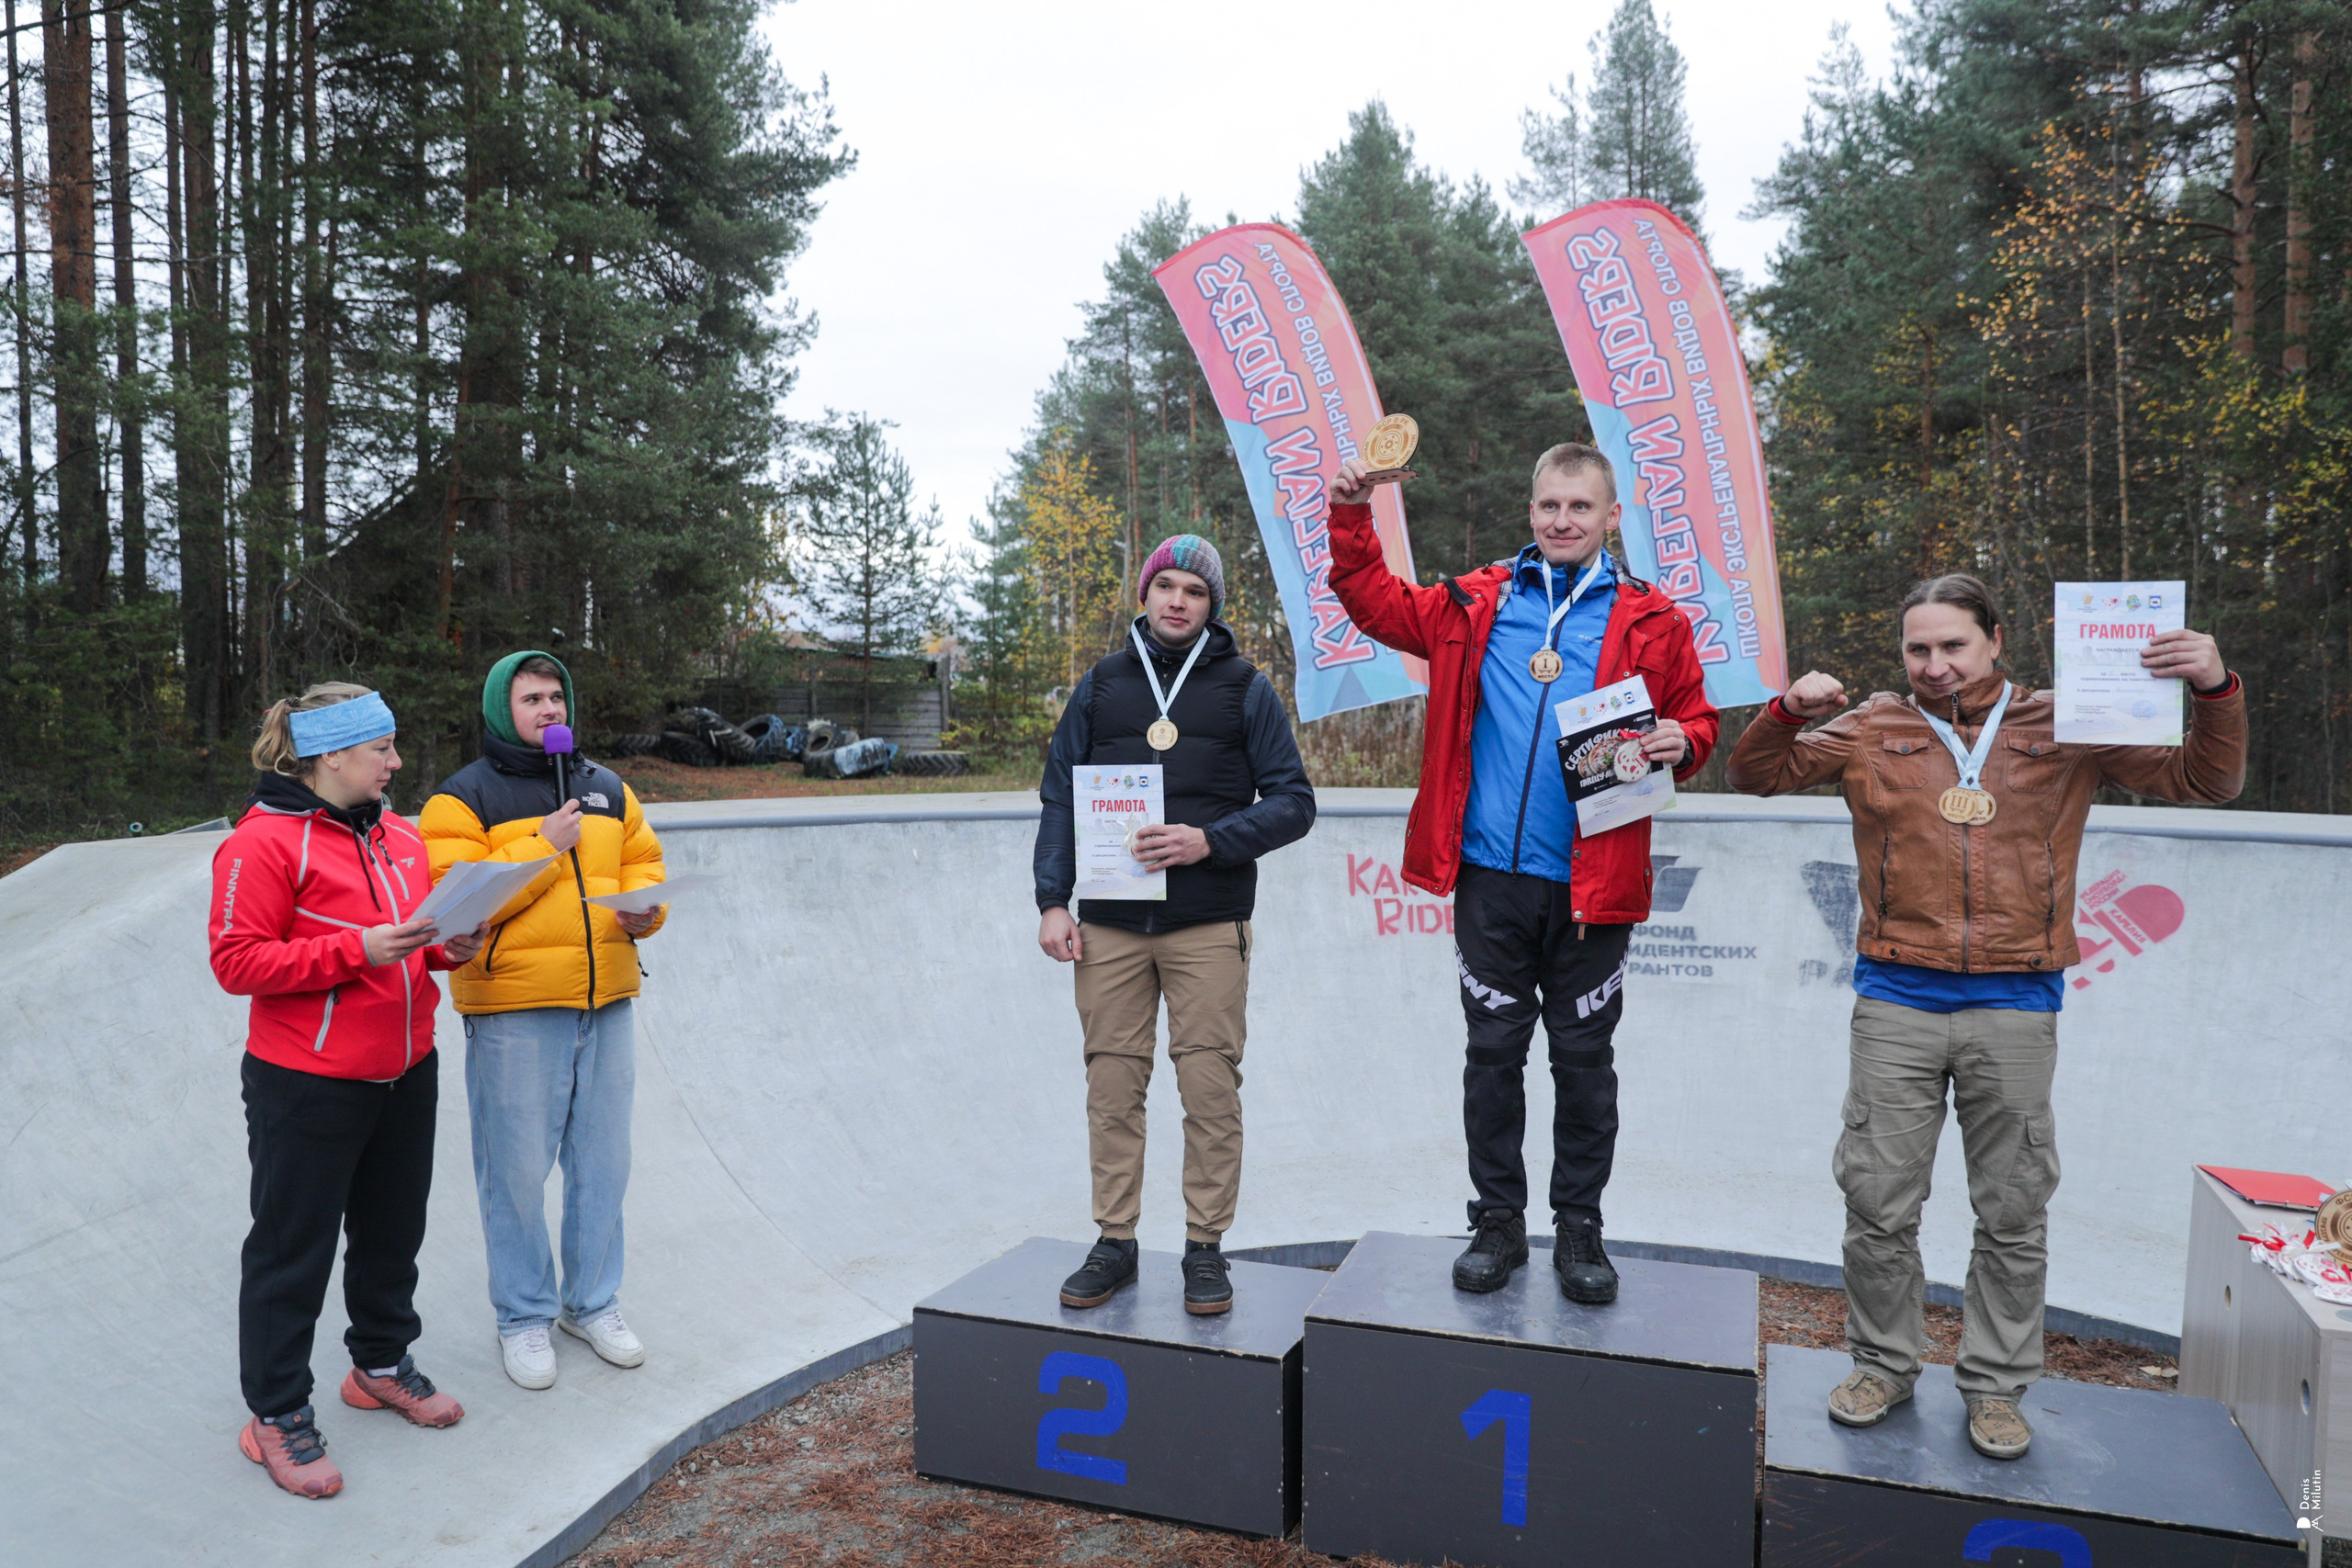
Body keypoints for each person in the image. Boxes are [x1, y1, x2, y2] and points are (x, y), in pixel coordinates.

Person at [1727, 573, 2245, 1460]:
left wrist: (2213, 688)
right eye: (1917, 649)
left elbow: (2205, 778)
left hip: (2017, 1000)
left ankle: (1997, 1386)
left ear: (1996, 640)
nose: (1934, 665)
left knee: (2012, 1209)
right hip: (1897, 998)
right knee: (1879, 1202)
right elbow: (1755, 776)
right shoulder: (1877, 725)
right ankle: (1885, 1365)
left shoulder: (2066, 720)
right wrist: (1784, 709)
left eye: (1952, 646)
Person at [1326, 443, 1719, 1303]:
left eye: (1580, 507)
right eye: (1549, 506)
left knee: (1584, 1063)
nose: (1562, 521)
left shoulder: (1655, 618)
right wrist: (1351, 516)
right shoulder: (1476, 599)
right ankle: (1497, 1221)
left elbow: (1696, 717)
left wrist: (1681, 741)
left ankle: (1579, 1226)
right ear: (1530, 510)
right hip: (1490, 879)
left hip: (1594, 883)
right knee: (1492, 1055)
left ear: (1612, 516)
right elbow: (1374, 602)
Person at [210, 683, 485, 1499]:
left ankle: (378, 1363)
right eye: (383, 750)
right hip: (306, 1081)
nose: (397, 764)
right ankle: (276, 1412)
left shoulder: (401, 836)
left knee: (393, 1231)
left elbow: (416, 942)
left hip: (407, 1067)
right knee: (292, 1249)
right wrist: (357, 949)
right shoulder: (260, 845)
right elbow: (237, 962)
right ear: (334, 754)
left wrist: (450, 948)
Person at [1035, 535, 1317, 1315]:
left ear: (1211, 604)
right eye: (1166, 584)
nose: (1177, 600)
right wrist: (1052, 900)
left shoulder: (1244, 688)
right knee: (1114, 1086)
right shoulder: (1100, 687)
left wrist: (1210, 840)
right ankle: (1116, 1241)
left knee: (1208, 1087)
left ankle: (1204, 1247)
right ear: (1145, 592)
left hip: (1206, 922)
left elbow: (1295, 802)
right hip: (1112, 927)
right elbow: (1059, 796)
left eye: (1194, 589)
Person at [419, 651, 667, 1391]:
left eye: (557, 696)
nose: (550, 709)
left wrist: (649, 910)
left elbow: (644, 865)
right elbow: (455, 907)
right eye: (532, 698)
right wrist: (544, 846)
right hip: (516, 1011)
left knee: (603, 1166)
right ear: (503, 709)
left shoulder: (607, 788)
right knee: (517, 1172)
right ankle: (522, 1317)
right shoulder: (459, 801)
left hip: (607, 1002)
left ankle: (591, 1304)